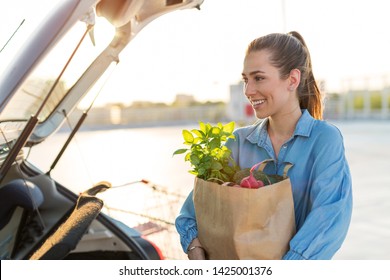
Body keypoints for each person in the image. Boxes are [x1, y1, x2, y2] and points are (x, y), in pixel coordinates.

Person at [175, 31, 353, 260]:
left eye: (258, 78)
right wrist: (194, 247)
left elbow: (329, 219)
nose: (248, 90)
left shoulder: (324, 140)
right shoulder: (238, 142)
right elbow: (192, 211)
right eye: (245, 80)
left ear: (292, 79)